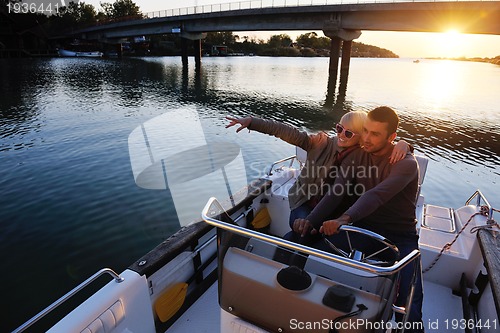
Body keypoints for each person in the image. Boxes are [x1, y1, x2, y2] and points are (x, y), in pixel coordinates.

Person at [297, 106, 424, 332]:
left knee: (409, 295)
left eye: (375, 134)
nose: (366, 138)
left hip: (400, 236)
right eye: (365, 130)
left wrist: (344, 219)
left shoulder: (406, 163)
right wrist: (311, 221)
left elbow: (377, 195)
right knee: (306, 243)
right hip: (364, 227)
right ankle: (294, 302)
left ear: (392, 138)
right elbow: (336, 192)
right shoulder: (357, 155)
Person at [225, 112, 409, 243]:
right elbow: (284, 131)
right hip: (304, 202)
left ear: (361, 137)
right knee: (305, 231)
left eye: (348, 133)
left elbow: (384, 147)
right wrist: (252, 122)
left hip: (335, 210)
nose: (340, 135)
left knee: (317, 235)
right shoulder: (320, 143)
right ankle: (290, 270)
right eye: (339, 128)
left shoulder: (362, 155)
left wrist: (404, 145)